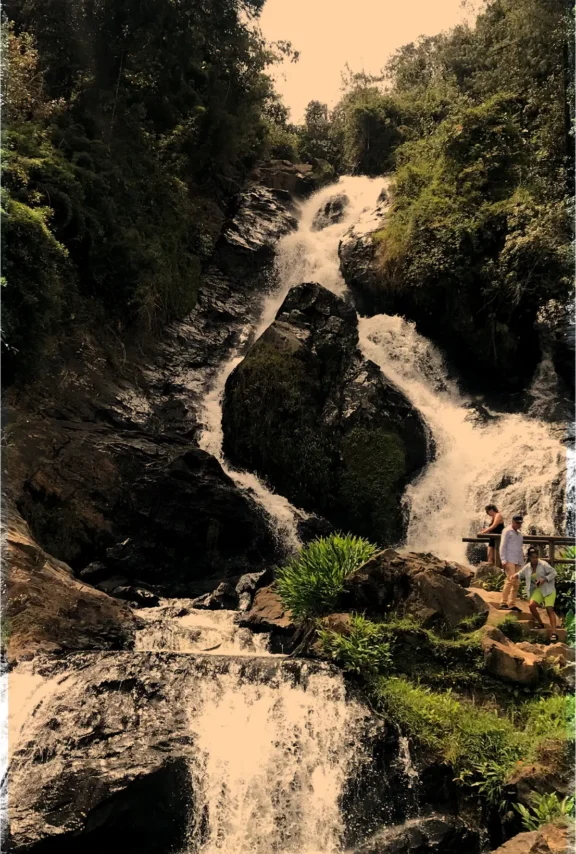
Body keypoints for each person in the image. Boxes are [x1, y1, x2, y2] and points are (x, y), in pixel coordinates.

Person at [514, 547, 558, 641]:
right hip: (539, 590)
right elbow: (521, 573)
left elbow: (554, 573)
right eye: (533, 557)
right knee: (531, 606)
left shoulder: (544, 564)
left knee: (549, 608)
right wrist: (515, 575)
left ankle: (554, 632)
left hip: (549, 589)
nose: (535, 559)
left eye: (536, 557)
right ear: (529, 557)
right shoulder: (528, 566)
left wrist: (544, 579)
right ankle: (541, 623)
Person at [498, 515, 524, 612]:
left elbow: (520, 548)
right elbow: (502, 546)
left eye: (520, 523)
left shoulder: (519, 533)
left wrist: (522, 562)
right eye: (517, 523)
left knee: (516, 583)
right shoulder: (507, 531)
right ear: (512, 522)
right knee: (510, 581)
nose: (519, 525)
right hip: (509, 559)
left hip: (518, 560)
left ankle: (512, 603)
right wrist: (503, 560)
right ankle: (503, 602)